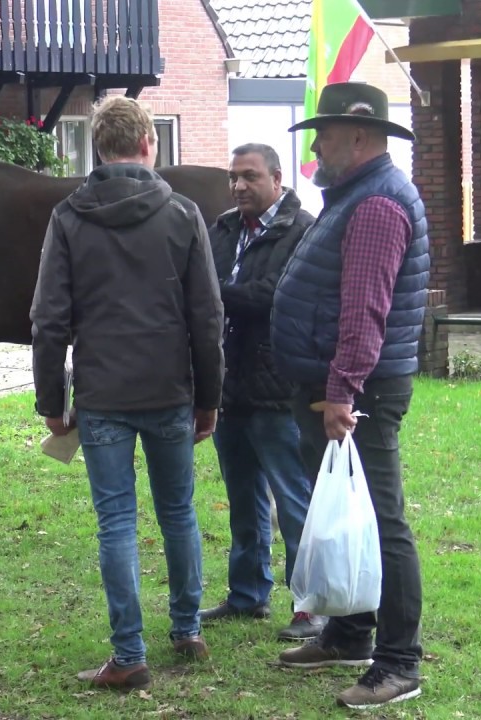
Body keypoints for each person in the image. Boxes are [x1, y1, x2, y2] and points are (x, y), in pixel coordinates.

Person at [30, 96, 225, 691]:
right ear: (148, 144)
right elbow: (208, 316)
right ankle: (187, 627)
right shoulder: (184, 214)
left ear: (98, 148)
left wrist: (49, 402)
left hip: (102, 393)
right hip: (169, 389)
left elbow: (49, 320)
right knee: (178, 511)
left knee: (116, 520)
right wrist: (209, 396)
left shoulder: (68, 217)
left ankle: (128, 652)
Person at [270, 82, 429, 709]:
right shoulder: (356, 196)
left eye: (325, 135)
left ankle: (398, 663)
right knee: (344, 513)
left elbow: (365, 311)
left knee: (380, 521)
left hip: (355, 391)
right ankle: (348, 636)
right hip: (336, 385)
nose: (315, 147)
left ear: (360, 137)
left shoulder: (377, 204)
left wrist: (341, 392)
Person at [200, 143, 323, 641]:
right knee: (243, 496)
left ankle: (311, 606)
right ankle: (247, 594)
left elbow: (274, 296)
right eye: (233, 177)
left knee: (293, 498)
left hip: (276, 386)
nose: (238, 186)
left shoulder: (302, 230)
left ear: (276, 177)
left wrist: (209, 293)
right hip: (229, 385)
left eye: (249, 176)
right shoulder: (225, 228)